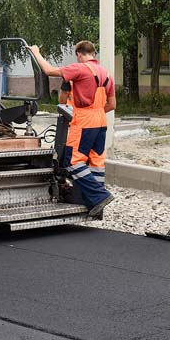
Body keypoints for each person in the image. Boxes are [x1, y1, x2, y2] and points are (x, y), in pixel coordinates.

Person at [29, 41, 116, 215]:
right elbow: (112, 104)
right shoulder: (106, 74)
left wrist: (36, 53)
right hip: (101, 120)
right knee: (96, 163)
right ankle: (94, 205)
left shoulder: (79, 68)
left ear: (79, 54)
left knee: (73, 161)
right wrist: (96, 112)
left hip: (84, 120)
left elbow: (49, 71)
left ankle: (99, 196)